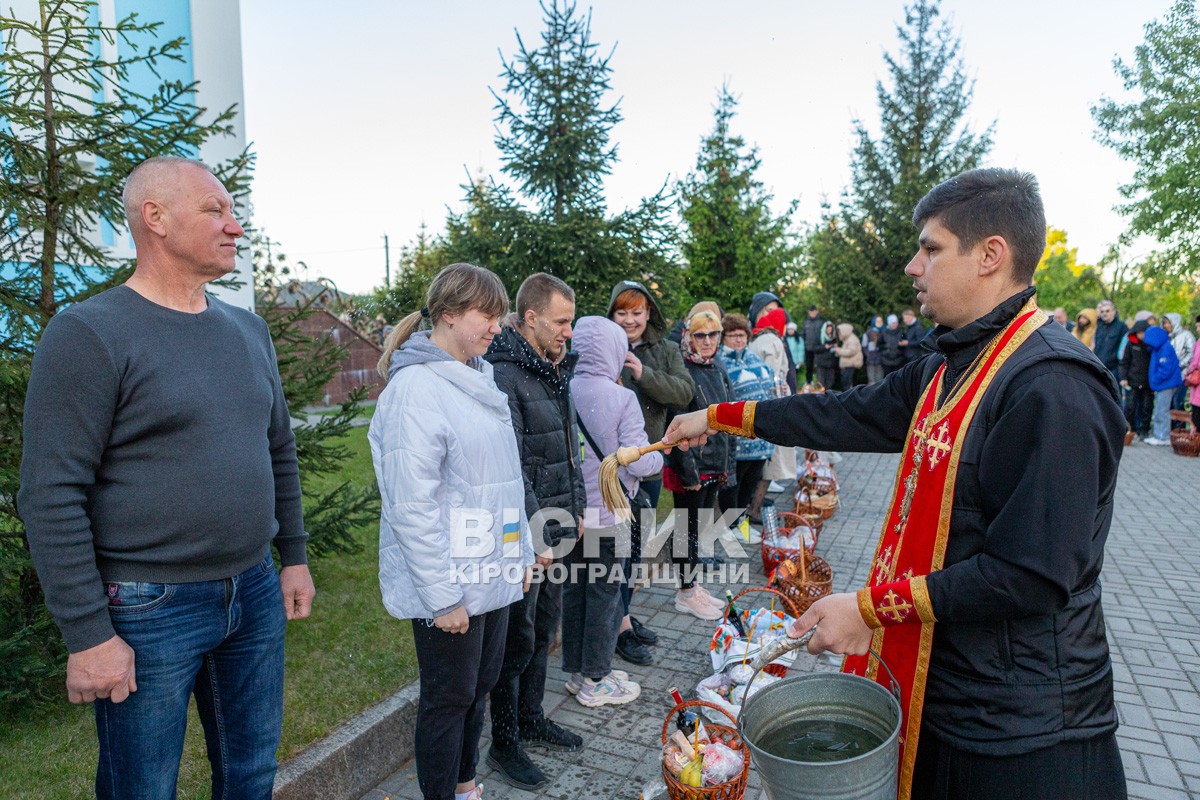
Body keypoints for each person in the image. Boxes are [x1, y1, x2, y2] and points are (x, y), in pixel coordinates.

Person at [665, 168, 1127, 800]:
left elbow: (1031, 573)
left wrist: (869, 609)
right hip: (942, 686)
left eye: (931, 248)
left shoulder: (1054, 388)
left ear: (990, 255)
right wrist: (719, 416)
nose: (914, 266)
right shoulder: (950, 365)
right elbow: (847, 412)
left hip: (1024, 727)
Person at [18, 156, 315, 800]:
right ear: (154, 217)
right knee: (141, 788)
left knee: (251, 775)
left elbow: (279, 449)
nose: (236, 226)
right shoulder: (89, 332)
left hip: (255, 591)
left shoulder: (248, 329)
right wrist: (89, 634)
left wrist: (291, 555)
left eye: (233, 212)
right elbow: (49, 494)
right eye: (216, 210)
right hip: (148, 608)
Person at [372, 262, 534, 800]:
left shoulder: (478, 376)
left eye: (499, 315)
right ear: (447, 315)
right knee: (448, 698)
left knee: (479, 688)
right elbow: (411, 504)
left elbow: (504, 484)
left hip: (489, 570)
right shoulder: (416, 390)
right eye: (486, 315)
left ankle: (465, 787)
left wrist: (523, 553)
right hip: (449, 581)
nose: (497, 326)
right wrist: (441, 597)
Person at [483, 273, 586, 789]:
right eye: (562, 320)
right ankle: (504, 743)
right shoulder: (504, 373)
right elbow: (514, 462)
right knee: (517, 638)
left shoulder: (551, 368)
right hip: (528, 533)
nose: (569, 330)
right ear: (530, 318)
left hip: (560, 520)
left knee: (545, 627)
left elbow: (569, 448)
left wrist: (579, 506)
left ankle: (531, 717)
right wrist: (536, 534)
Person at [566, 316, 662, 706]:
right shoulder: (623, 397)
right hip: (613, 513)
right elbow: (637, 460)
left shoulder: (563, 388)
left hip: (573, 515)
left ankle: (575, 672)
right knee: (606, 597)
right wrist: (659, 461)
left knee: (574, 593)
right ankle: (597, 678)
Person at [605, 280, 694, 646]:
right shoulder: (601, 347)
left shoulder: (667, 350)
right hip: (609, 469)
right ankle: (614, 626)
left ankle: (622, 618)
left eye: (636, 312)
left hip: (649, 466)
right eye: (621, 312)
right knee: (613, 551)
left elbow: (683, 392)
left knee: (635, 546)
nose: (629, 320)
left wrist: (643, 374)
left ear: (649, 314)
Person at [665, 310, 734, 620]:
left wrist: (725, 467)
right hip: (692, 466)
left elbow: (728, 418)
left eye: (713, 335)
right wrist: (689, 472)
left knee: (699, 528)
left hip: (713, 463)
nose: (707, 342)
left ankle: (693, 585)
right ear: (688, 337)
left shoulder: (717, 368)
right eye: (700, 335)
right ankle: (685, 591)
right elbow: (676, 426)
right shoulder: (686, 371)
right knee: (686, 530)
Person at [715, 313, 777, 529]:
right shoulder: (720, 361)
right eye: (732, 336)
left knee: (751, 483)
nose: (738, 340)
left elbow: (770, 382)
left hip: (760, 438)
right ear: (723, 337)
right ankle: (731, 527)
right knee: (734, 485)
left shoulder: (752, 358)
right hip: (738, 440)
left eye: (742, 335)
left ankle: (741, 524)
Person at [1143, 323, 1182, 447]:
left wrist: (1155, 380)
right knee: (1160, 410)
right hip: (1163, 384)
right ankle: (1158, 435)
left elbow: (1165, 369)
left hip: (1166, 384)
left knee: (1161, 411)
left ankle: (1163, 436)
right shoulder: (1158, 348)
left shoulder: (1165, 348)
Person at [749, 291, 797, 392]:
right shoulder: (745, 335)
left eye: (775, 311)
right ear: (757, 310)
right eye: (769, 310)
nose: (773, 315)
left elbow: (789, 374)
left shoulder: (778, 338)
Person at [1120, 320, 1154, 441]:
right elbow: (1124, 362)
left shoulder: (1152, 346)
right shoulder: (1130, 344)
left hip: (1148, 382)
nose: (1142, 335)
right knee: (1130, 406)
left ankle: (1144, 430)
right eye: (1139, 333)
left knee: (1146, 407)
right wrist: (1123, 377)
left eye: (1144, 333)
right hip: (1132, 381)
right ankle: (1131, 429)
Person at [1162, 312, 1196, 415]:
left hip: (1182, 375)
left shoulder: (1186, 335)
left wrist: (1179, 365)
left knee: (1179, 402)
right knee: (1169, 404)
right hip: (1168, 376)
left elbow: (1192, 353)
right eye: (1164, 323)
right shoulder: (1164, 338)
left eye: (1168, 323)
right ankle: (1171, 428)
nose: (1166, 325)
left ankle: (1180, 427)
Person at [1094, 300, 1128, 382]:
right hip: (1099, 367)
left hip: (1114, 369)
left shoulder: (1121, 326)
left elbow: (1124, 348)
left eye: (1107, 311)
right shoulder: (1099, 326)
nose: (1104, 313)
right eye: (1102, 311)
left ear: (1113, 312)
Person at [832, 321, 864, 391]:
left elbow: (850, 352)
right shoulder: (847, 339)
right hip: (848, 364)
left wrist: (838, 350)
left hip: (851, 364)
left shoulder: (852, 340)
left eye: (840, 332)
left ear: (844, 331)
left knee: (847, 384)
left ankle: (848, 399)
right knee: (846, 383)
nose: (839, 334)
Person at [802, 305, 825, 384]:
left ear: (817, 311)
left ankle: (820, 383)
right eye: (811, 311)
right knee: (809, 366)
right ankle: (809, 382)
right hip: (808, 348)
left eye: (814, 311)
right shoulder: (806, 322)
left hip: (818, 348)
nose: (813, 313)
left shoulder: (821, 322)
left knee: (819, 366)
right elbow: (803, 334)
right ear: (809, 312)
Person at [814, 319, 839, 389]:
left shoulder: (834, 338)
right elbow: (814, 348)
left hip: (831, 364)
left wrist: (836, 347)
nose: (829, 331)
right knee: (821, 382)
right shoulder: (819, 337)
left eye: (831, 329)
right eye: (828, 329)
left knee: (830, 381)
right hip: (821, 363)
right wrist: (824, 347)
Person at [862, 315, 886, 385]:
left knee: (880, 380)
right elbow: (864, 345)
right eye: (877, 321)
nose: (879, 322)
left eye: (881, 321)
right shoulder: (868, 332)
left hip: (882, 360)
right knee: (871, 380)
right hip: (871, 360)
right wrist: (868, 355)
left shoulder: (885, 331)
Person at [1186, 316, 1200, 432]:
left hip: (1197, 385)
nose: (1198, 329)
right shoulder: (1199, 342)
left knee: (1197, 417)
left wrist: (1190, 370)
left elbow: (1194, 363)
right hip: (1197, 386)